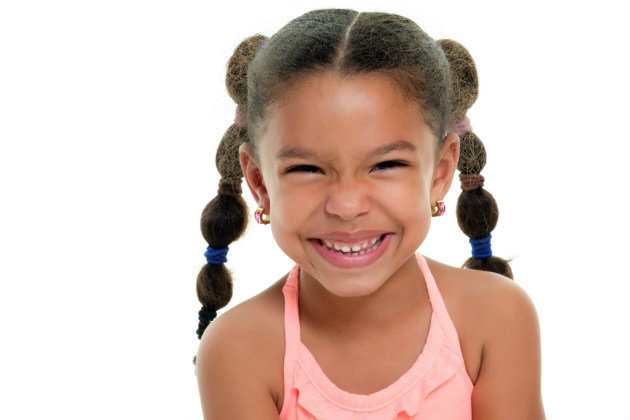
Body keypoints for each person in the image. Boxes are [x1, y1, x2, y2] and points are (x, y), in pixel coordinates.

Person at [194, 8, 545, 420]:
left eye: (386, 165)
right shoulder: (238, 350)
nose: (346, 205)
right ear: (259, 184)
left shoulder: (497, 318)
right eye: (306, 169)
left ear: (441, 173)